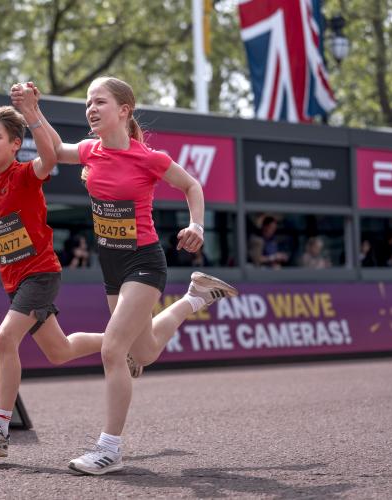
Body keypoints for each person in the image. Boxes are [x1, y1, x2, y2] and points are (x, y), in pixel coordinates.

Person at [12, 77, 238, 475]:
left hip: (144, 263)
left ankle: (109, 449)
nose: (91, 109)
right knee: (143, 352)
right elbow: (53, 151)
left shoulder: (149, 158)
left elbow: (191, 185)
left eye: (99, 102)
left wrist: (197, 227)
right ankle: (194, 298)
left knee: (114, 351)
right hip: (112, 264)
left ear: (124, 111)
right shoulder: (89, 151)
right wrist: (32, 112)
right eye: (87, 103)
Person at [0, 104, 129, 459]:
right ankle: (122, 342)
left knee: (4, 337)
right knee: (60, 351)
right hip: (14, 280)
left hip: (40, 273)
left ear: (15, 144)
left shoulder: (27, 174)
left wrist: (32, 115)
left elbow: (49, 156)